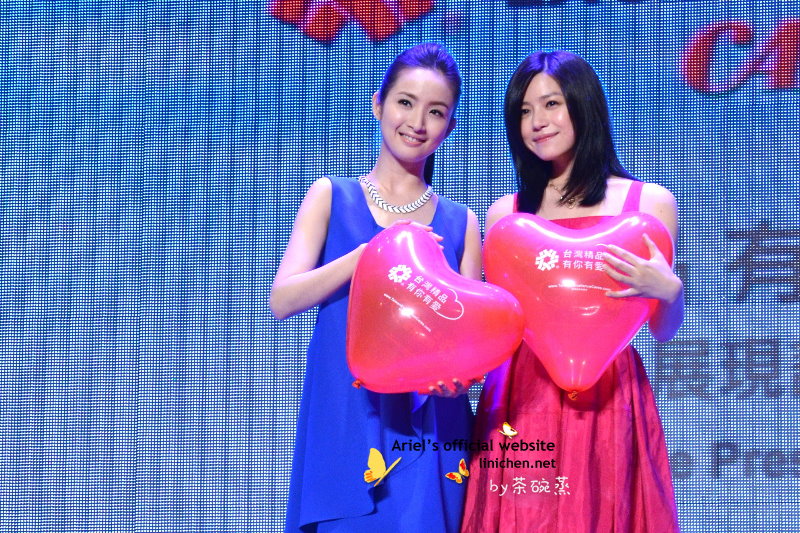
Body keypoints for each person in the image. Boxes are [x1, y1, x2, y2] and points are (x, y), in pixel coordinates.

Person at [460, 51, 683, 532]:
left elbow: (662, 331)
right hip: (522, 393)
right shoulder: (507, 214)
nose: (537, 122)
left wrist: (669, 292)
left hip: (608, 391)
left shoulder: (646, 204)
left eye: (551, 104)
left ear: (583, 105)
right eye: (524, 110)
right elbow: (493, 324)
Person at [270, 43, 481, 533]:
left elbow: (471, 342)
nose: (417, 123)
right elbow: (283, 300)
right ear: (378, 105)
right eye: (405, 102)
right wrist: (369, 255)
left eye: (436, 112)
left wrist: (462, 377)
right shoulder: (331, 196)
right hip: (347, 415)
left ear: (450, 127)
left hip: (429, 426)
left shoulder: (461, 223)